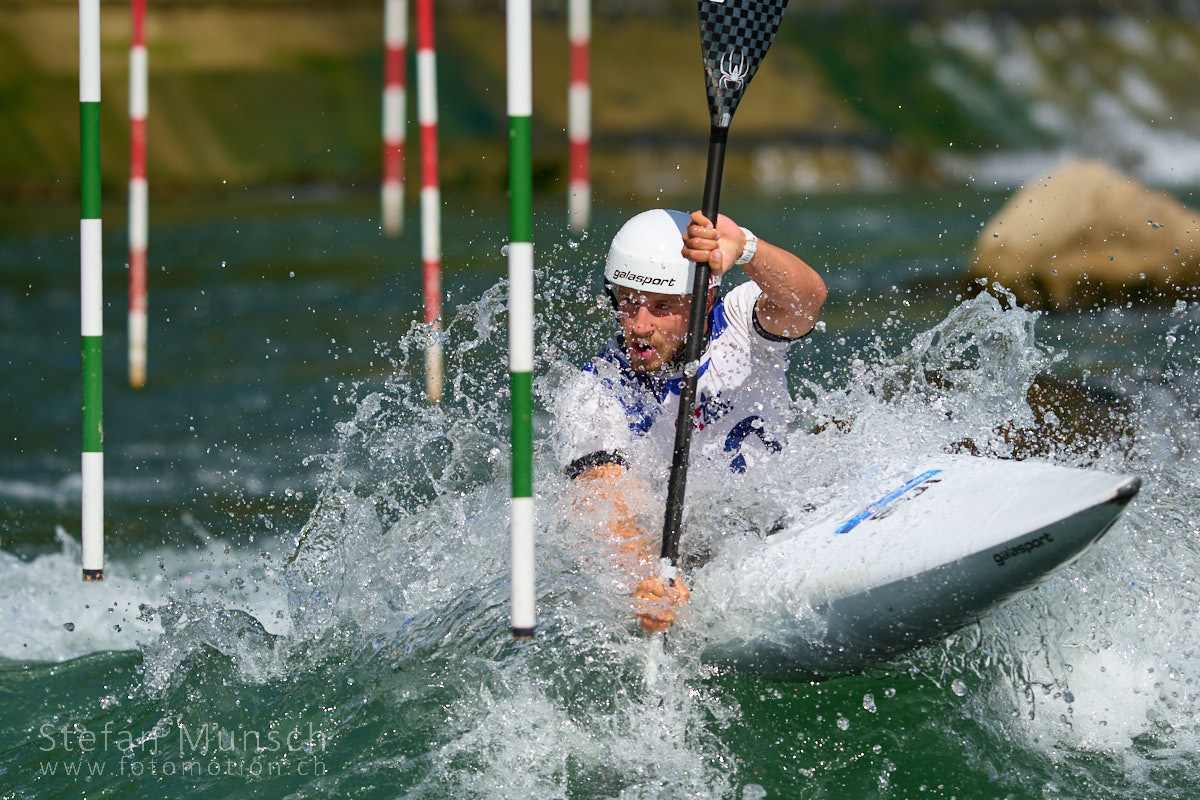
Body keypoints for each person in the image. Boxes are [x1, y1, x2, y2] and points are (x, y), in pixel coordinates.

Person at [555, 208, 827, 633]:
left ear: (705, 301)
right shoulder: (596, 392)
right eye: (628, 303)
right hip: (697, 563)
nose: (639, 326)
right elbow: (602, 502)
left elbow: (807, 301)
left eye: (661, 307)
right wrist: (647, 578)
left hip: (790, 521)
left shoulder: (741, 320)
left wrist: (747, 249)